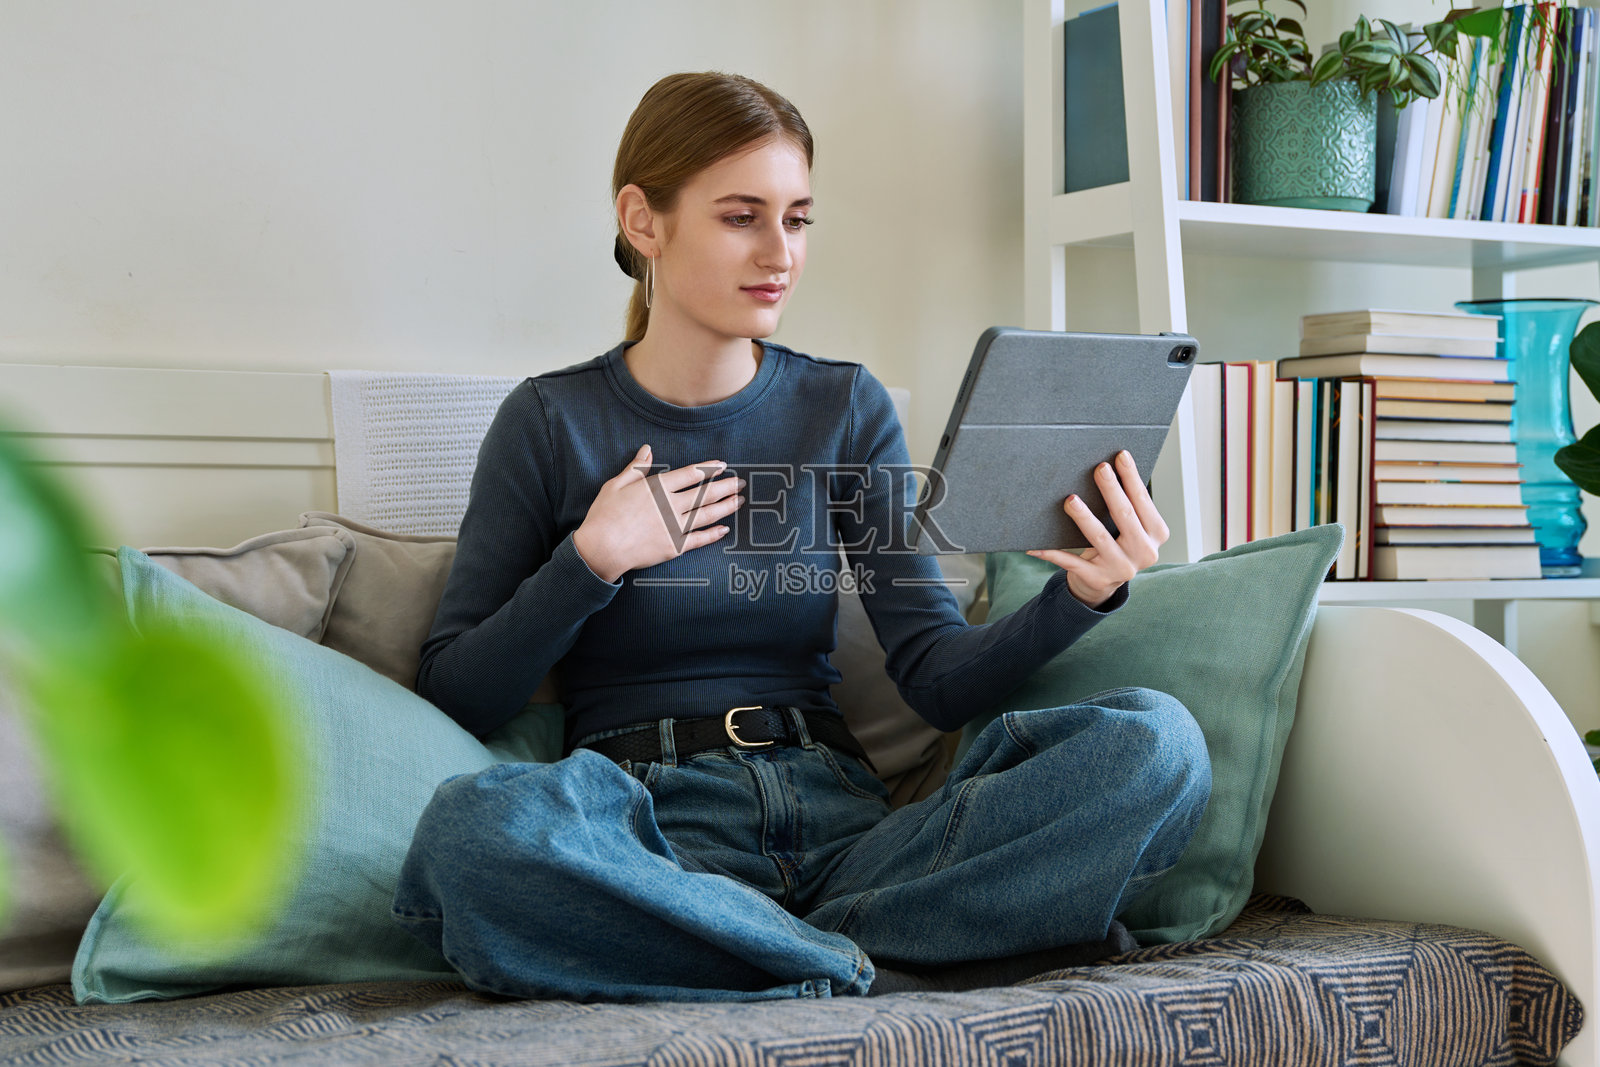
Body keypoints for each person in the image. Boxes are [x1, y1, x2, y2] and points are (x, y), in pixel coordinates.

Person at [391, 71, 1210, 1003]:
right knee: (472, 836)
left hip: (847, 831)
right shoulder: (548, 422)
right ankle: (865, 961)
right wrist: (592, 560)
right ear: (642, 220)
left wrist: (1082, 595)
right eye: (742, 216)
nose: (779, 251)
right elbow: (457, 692)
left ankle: (774, 953)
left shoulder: (842, 406)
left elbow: (938, 680)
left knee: (1159, 743)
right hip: (654, 841)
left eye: (799, 218)